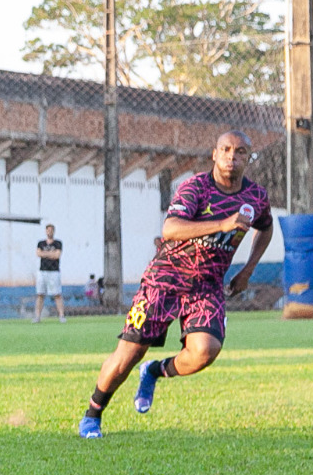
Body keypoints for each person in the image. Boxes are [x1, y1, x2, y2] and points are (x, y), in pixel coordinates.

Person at [78, 131, 271, 438]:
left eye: (240, 152)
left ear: (248, 158)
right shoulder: (196, 187)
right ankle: (93, 414)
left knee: (205, 351)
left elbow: (266, 226)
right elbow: (170, 228)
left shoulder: (256, 197)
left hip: (207, 286)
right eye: (226, 149)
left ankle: (154, 371)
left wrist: (247, 270)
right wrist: (222, 224)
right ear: (214, 153)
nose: (232, 157)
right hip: (165, 279)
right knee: (128, 354)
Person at [33, 224, 64, 323]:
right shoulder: (41, 243)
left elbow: (57, 255)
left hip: (54, 272)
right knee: (40, 294)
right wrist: (51, 254)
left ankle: (61, 316)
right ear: (45, 231)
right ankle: (37, 317)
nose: (49, 232)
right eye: (48, 230)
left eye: (51, 230)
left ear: (53, 231)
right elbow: (38, 253)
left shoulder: (58, 243)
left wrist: (44, 254)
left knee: (57, 294)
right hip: (42, 271)